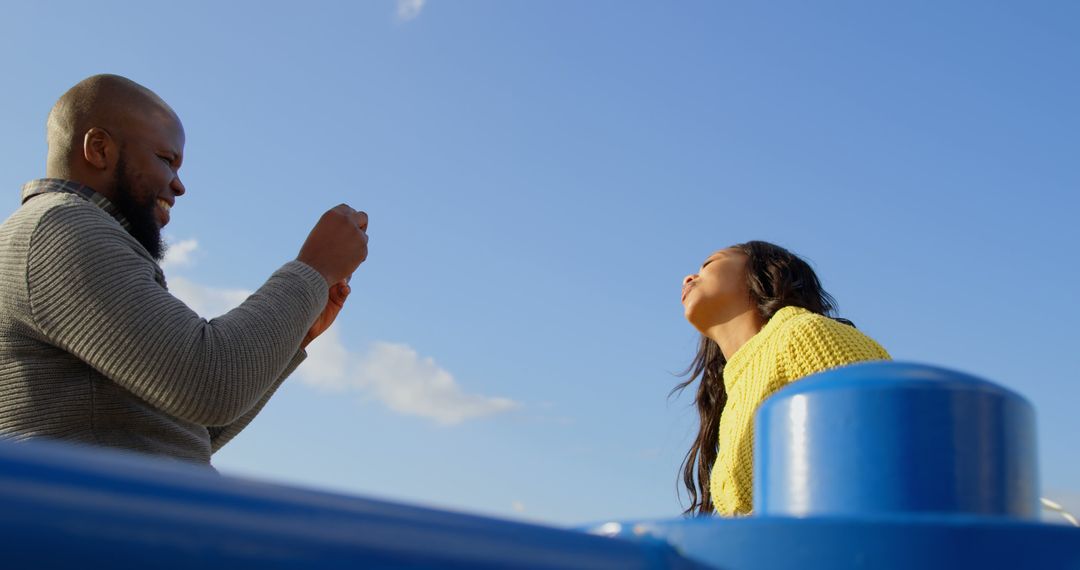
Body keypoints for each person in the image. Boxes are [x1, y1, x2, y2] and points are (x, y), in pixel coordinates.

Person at [0, 74, 369, 465]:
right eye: (166, 160)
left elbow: (187, 426)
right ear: (99, 149)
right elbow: (209, 385)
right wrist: (312, 269)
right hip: (101, 524)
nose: (179, 186)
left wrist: (296, 333)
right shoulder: (61, 227)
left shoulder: (55, 231)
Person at [674, 241, 890, 516]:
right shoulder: (736, 389)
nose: (688, 277)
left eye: (709, 263)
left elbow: (876, 452)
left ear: (763, 271)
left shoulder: (805, 332)